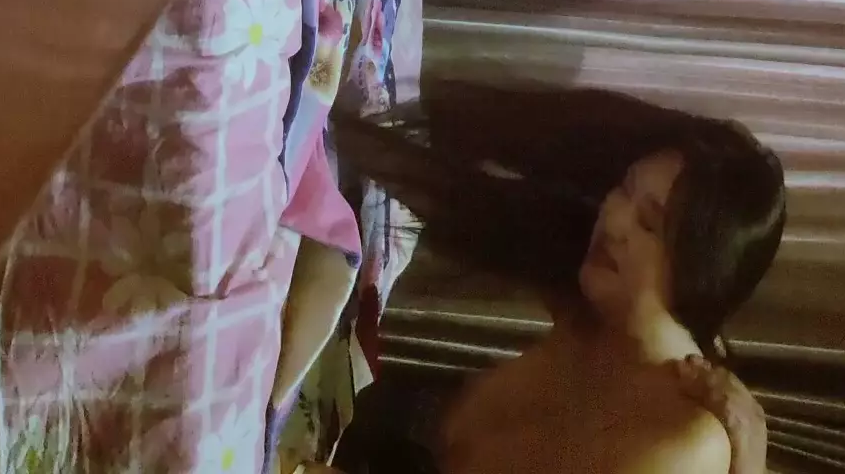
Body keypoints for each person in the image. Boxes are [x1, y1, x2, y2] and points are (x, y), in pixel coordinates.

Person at [335, 78, 786, 474]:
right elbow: (446, 189)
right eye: (624, 188)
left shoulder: (688, 443)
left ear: (697, 272)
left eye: (649, 224)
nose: (614, 220)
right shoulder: (596, 290)